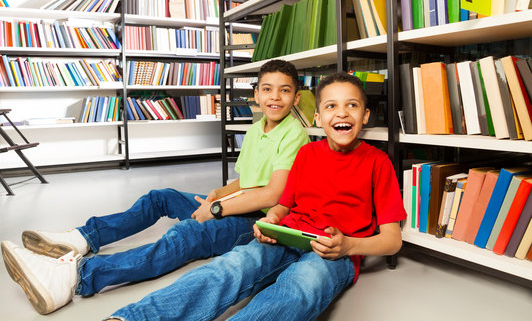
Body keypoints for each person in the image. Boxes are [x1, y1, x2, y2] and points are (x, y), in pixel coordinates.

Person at [0, 59, 311, 315]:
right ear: (255, 94)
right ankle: (83, 237)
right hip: (234, 203)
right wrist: (217, 194)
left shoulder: (294, 133)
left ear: (296, 97)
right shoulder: (256, 129)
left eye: (284, 91)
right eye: (267, 89)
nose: (275, 97)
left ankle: (75, 277)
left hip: (257, 221)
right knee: (160, 198)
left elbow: (272, 194)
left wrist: (215, 209)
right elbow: (247, 180)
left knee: (187, 234)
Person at [103, 71, 407, 321]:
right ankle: (136, 318)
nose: (341, 112)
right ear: (316, 117)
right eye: (331, 106)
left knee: (300, 287)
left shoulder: (377, 162)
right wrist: (271, 220)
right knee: (231, 266)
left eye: (351, 105)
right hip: (287, 235)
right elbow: (282, 205)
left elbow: (393, 239)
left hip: (334, 253)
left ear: (365, 115)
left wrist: (349, 245)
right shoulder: (307, 154)